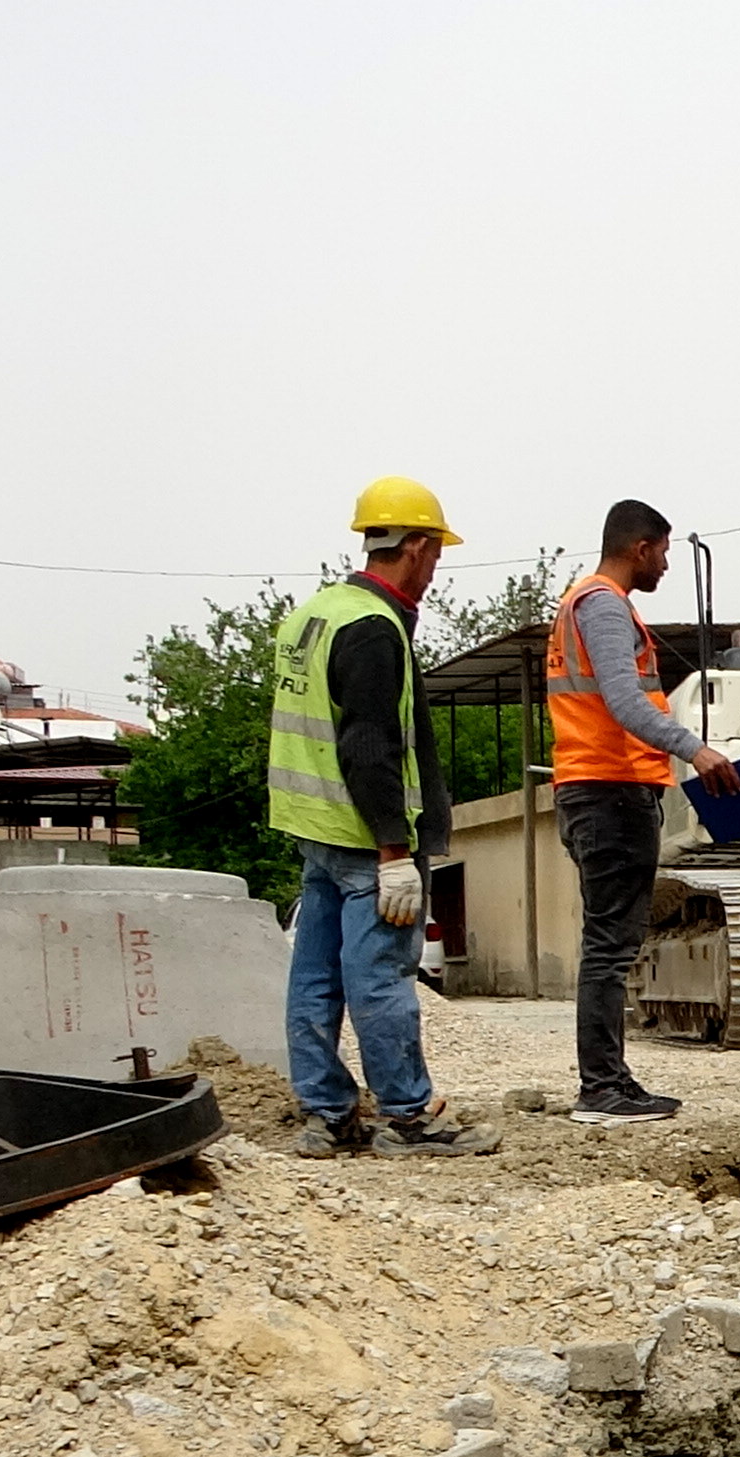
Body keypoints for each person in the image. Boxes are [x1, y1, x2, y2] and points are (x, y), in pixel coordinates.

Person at [269, 475, 495, 1160]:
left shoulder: (315, 614)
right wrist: (394, 850)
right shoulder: (373, 628)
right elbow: (369, 744)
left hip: (314, 828)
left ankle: (328, 1114)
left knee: (314, 978)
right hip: (366, 840)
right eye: (436, 555)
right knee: (380, 979)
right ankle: (408, 1115)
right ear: (418, 547)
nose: (435, 570)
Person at [546, 498, 740, 1126]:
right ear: (643, 548)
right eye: (662, 552)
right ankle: (600, 1089)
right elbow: (625, 703)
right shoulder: (603, 604)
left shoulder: (590, 602)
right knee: (608, 946)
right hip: (609, 791)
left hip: (601, 789)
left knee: (611, 942)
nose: (664, 565)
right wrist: (697, 751)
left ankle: (611, 1080)